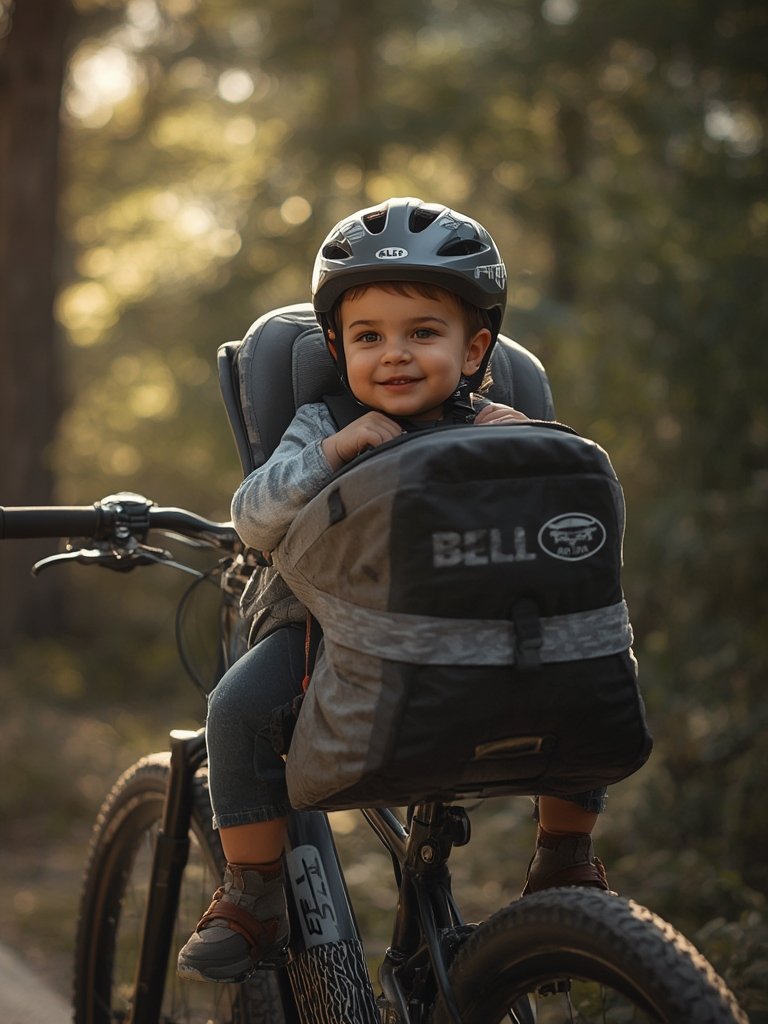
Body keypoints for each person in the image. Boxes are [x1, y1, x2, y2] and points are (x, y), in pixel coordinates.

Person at [177, 197, 609, 985]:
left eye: (423, 333)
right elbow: (252, 518)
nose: (395, 355)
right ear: (338, 348)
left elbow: (561, 541)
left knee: (584, 669)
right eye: (369, 337)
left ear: (475, 346)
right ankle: (253, 888)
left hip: (477, 638)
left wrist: (526, 452)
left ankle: (565, 858)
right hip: (333, 634)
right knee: (236, 709)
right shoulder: (323, 422)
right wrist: (333, 452)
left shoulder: (495, 423)